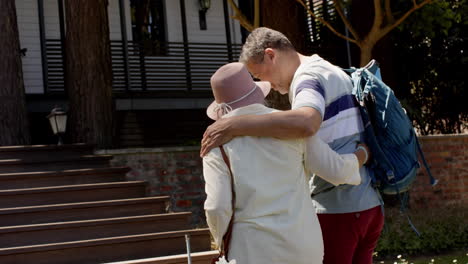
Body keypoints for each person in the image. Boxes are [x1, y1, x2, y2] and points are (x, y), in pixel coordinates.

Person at [201, 28, 384, 264]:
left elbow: (217, 207)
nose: (267, 83)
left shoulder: (219, 141)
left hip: (255, 248)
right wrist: (363, 153)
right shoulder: (326, 76)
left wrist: (222, 239)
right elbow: (337, 169)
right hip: (308, 243)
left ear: (271, 55)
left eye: (261, 74)